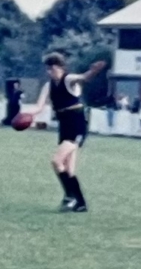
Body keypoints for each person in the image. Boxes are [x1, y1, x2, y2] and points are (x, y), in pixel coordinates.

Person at [28, 53, 107, 213]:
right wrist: (24, 114)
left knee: (56, 161)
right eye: (48, 69)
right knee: (69, 169)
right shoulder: (48, 86)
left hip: (76, 122)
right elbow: (39, 106)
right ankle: (80, 203)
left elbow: (83, 78)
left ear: (60, 67)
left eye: (53, 68)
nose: (49, 72)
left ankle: (70, 197)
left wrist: (93, 71)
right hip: (64, 124)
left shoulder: (69, 79)